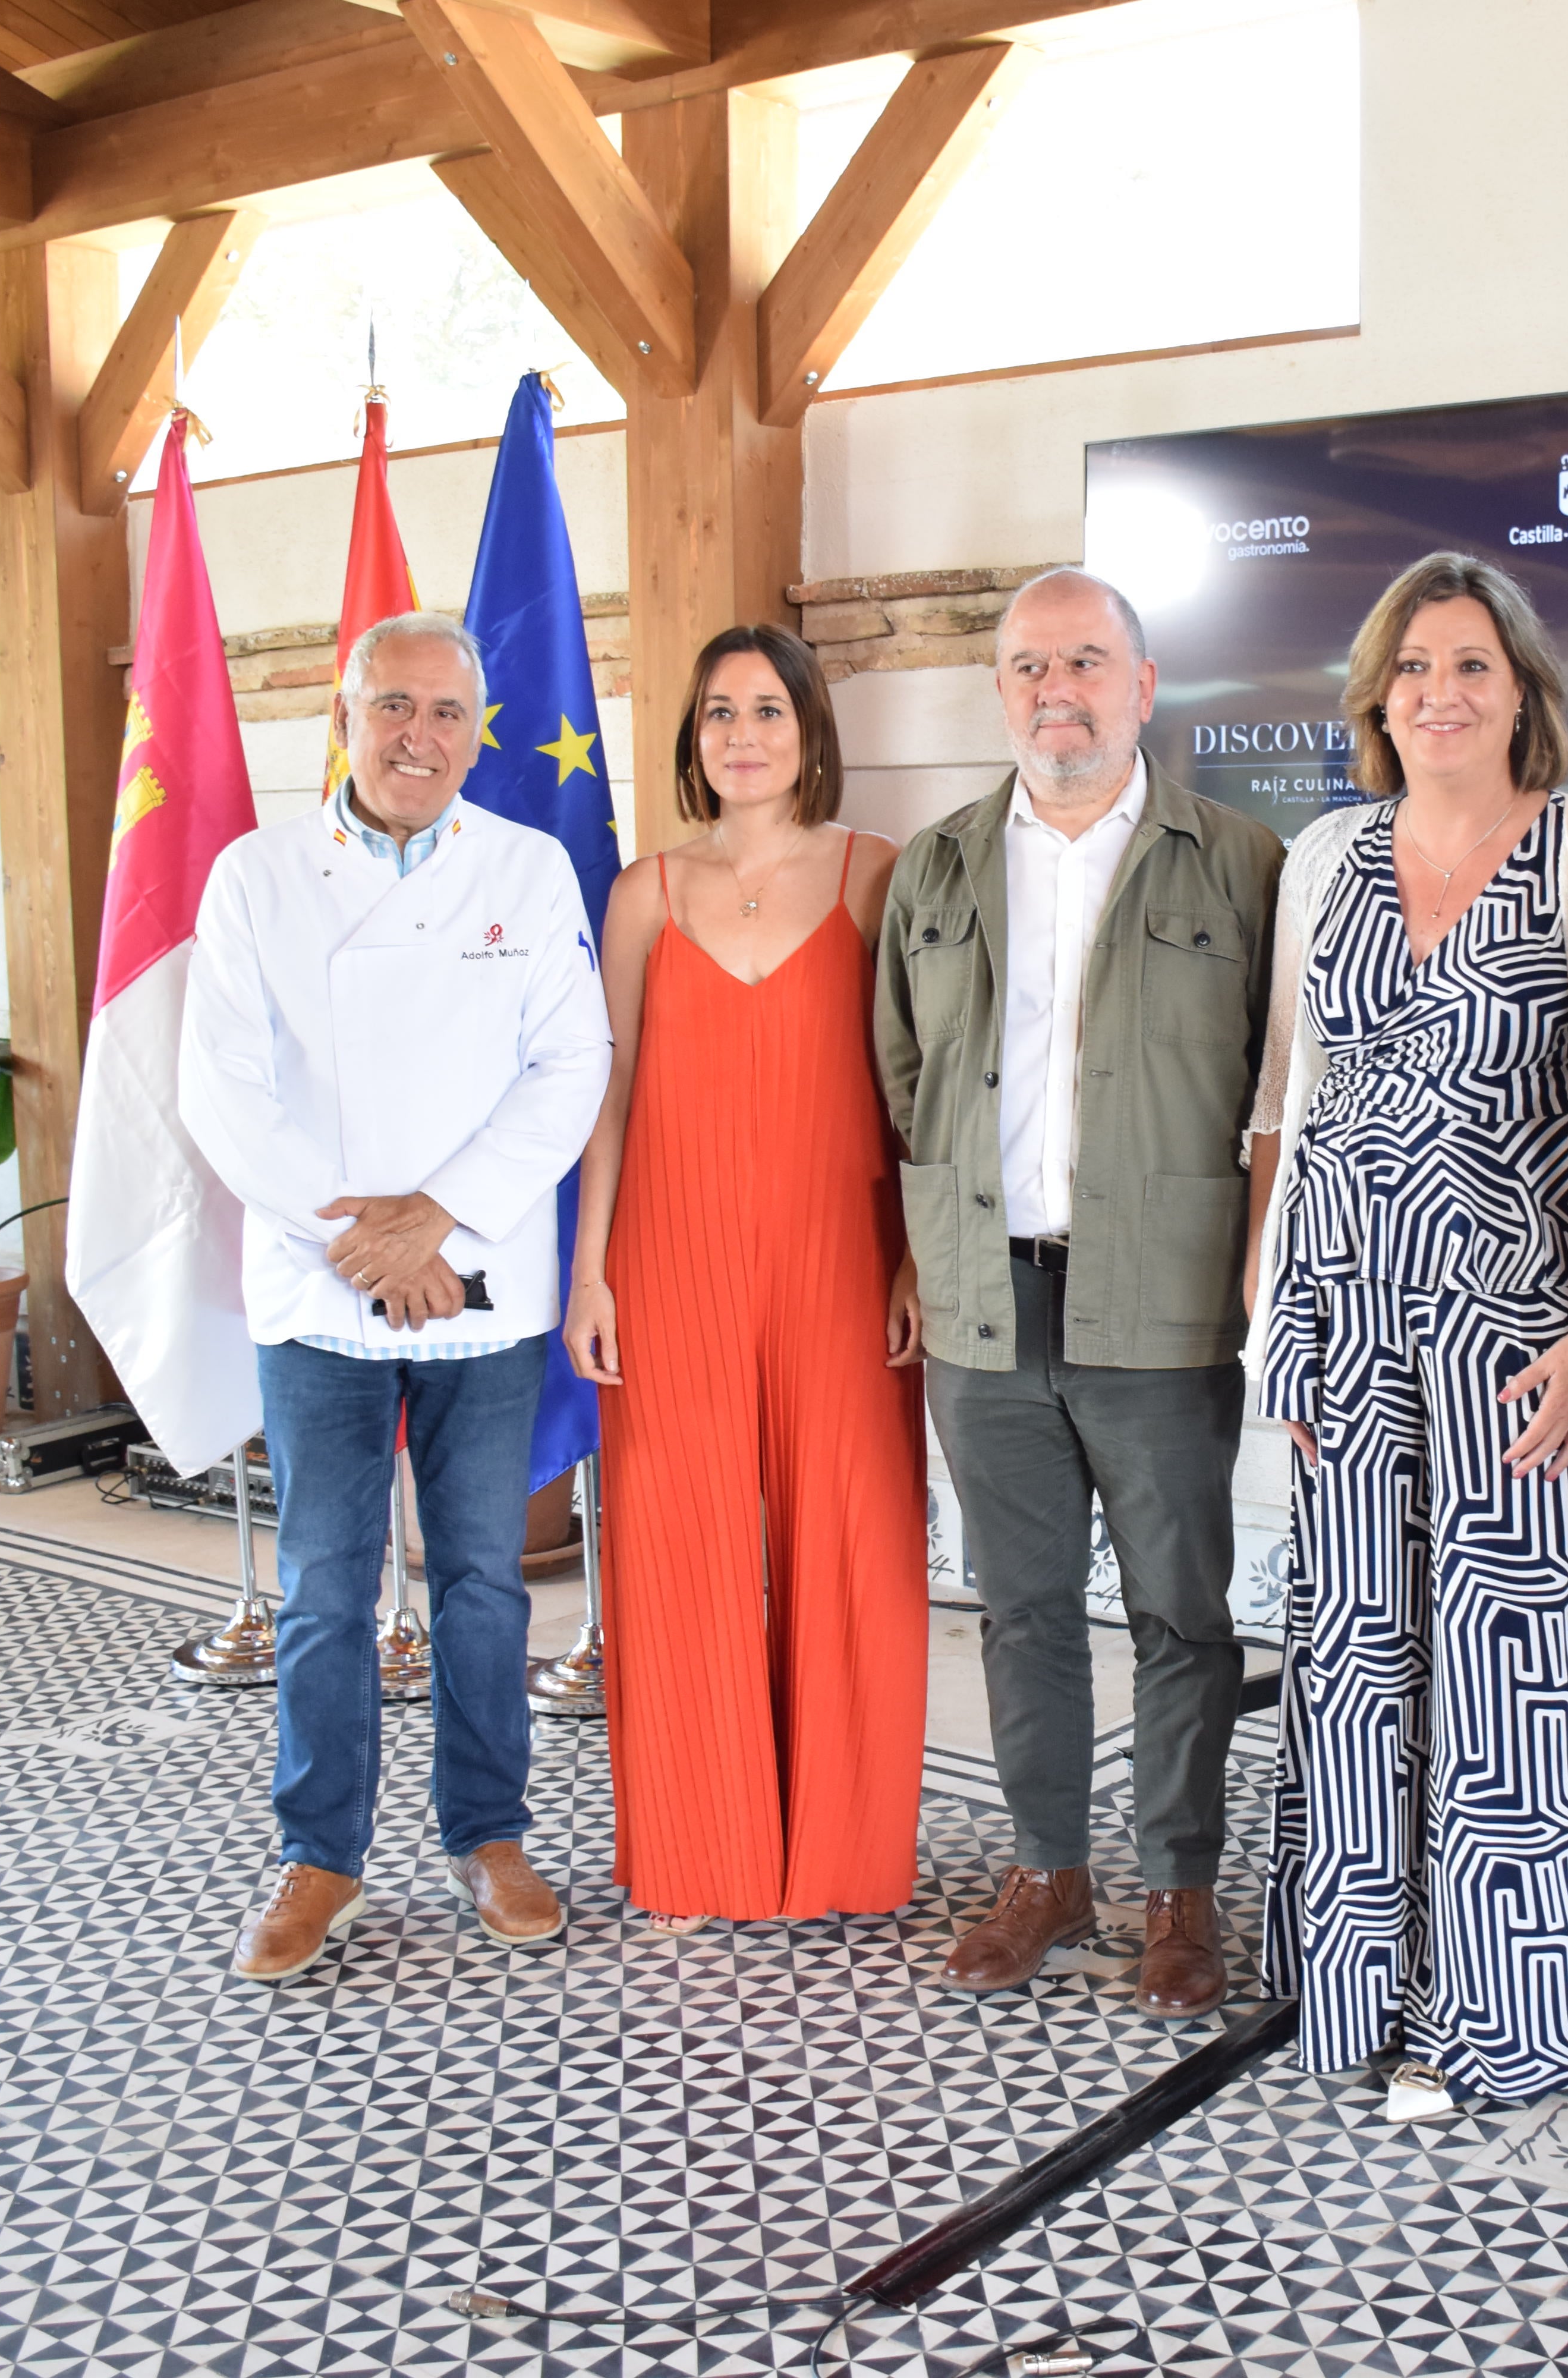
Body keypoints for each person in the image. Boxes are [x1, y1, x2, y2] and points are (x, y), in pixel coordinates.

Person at [1242, 554, 1568, 2117]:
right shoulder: (1325, 859)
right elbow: (1288, 1105)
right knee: (1354, 1665)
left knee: (1516, 1684)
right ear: (1375, 698)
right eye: (1411, 666)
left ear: (1524, 690)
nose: (1439, 692)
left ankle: (1509, 2026)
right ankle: (1348, 1995)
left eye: (1472, 664)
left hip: (1524, 1342)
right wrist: (1272, 1327)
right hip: (1345, 1328)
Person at [874, 567, 1286, 2018]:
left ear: (1144, 684)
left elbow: (1275, 1092)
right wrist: (920, 1255)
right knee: (1021, 1604)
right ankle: (1048, 1868)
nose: (1060, 691)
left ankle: (1181, 1885)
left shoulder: (1242, 862)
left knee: (1183, 1611)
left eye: (1089, 663)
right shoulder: (933, 869)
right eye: (1032, 666)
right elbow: (904, 1082)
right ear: (1002, 692)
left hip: (1162, 1303)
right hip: (986, 1299)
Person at [180, 609, 613, 1984]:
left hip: (480, 1289)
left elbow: (571, 1070)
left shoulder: (531, 870)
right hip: (319, 1294)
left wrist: (446, 1224)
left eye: (445, 710)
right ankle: (321, 1853)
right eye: (393, 706)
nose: (419, 735)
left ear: (477, 726)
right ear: (345, 714)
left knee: (485, 1578)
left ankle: (489, 1829)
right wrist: (365, 1244)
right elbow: (223, 1090)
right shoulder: (256, 877)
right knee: (322, 1584)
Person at [561, 625, 928, 1929]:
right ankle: (700, 1841)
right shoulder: (645, 890)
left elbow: (919, 1088)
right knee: (681, 1541)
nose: (744, 734)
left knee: (853, 1534)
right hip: (671, 1251)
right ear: (693, 738)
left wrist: (913, 1257)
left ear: (811, 731)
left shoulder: (878, 873)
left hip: (843, 1250)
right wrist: (591, 1272)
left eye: (769, 709)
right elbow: (605, 1092)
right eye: (719, 711)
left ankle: (842, 1846)